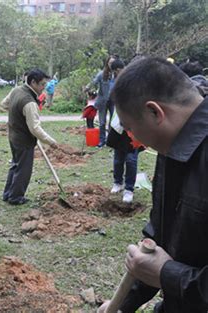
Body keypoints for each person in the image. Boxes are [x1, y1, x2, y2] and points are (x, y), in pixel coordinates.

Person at [97, 57, 208, 312]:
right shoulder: (171, 146)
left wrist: (168, 274)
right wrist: (121, 305)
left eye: (130, 129)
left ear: (155, 112)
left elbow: (163, 269)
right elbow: (160, 236)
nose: (132, 140)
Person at [1, 69, 57, 205]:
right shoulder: (29, 102)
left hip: (13, 135)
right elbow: (35, 128)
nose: (44, 88)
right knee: (23, 169)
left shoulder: (16, 90)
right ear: (33, 82)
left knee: (15, 165)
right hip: (23, 140)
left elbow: (4, 104)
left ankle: (8, 194)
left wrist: (18, 115)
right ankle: (15, 197)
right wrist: (51, 142)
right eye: (42, 84)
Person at [106, 59, 143, 204]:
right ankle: (117, 182)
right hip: (119, 127)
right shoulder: (117, 83)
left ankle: (129, 189)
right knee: (118, 158)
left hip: (134, 128)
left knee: (131, 159)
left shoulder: (140, 86)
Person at [86, 55, 117, 147]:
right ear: (107, 63)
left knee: (113, 122)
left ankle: (110, 141)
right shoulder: (102, 74)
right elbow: (93, 82)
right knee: (102, 122)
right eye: (110, 63)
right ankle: (101, 140)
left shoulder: (117, 74)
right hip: (103, 101)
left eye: (113, 63)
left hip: (113, 101)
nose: (111, 65)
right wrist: (87, 87)